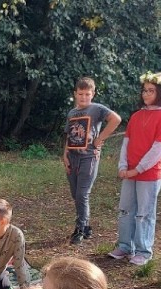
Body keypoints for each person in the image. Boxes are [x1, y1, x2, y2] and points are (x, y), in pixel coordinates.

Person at [109, 72, 161, 266]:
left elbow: (158, 147)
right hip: (129, 172)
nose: (146, 94)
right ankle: (125, 245)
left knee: (144, 213)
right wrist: (123, 166)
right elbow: (126, 142)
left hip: (148, 174)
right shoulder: (137, 115)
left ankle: (143, 250)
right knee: (126, 209)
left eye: (151, 91)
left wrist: (137, 169)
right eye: (144, 90)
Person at [63, 77, 122, 245]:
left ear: (93, 94)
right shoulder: (72, 113)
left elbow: (116, 119)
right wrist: (65, 154)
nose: (83, 98)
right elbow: (68, 135)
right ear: (75, 94)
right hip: (72, 157)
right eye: (80, 94)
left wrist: (100, 139)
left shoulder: (96, 109)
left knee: (82, 194)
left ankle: (80, 228)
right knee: (76, 194)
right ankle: (87, 224)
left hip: (88, 157)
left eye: (87, 94)